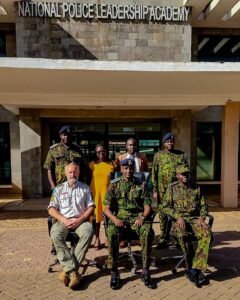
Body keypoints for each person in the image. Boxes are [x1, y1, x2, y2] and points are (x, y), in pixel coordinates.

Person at [104, 158, 156, 290]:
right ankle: (114, 272)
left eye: (131, 168)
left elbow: (148, 207)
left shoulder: (141, 184)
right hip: (120, 219)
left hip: (136, 219)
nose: (129, 171)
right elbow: (106, 209)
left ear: (134, 169)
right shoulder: (114, 185)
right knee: (111, 231)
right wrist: (114, 219)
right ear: (121, 170)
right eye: (126, 168)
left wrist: (142, 218)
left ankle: (145, 271)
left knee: (147, 231)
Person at [162, 164, 212, 287]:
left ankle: (195, 269)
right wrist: (177, 216)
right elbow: (164, 206)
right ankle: (190, 267)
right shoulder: (172, 188)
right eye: (183, 174)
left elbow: (204, 205)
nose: (186, 176)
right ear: (177, 175)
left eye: (187, 174)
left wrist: (202, 217)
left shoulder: (196, 187)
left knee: (207, 233)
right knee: (183, 235)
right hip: (179, 220)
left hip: (195, 219)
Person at [48, 163, 95, 290]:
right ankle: (73, 272)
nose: (72, 174)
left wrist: (80, 219)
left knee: (89, 231)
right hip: (63, 221)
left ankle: (66, 271)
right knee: (55, 233)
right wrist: (64, 219)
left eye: (75, 172)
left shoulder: (85, 188)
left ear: (78, 173)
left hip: (80, 220)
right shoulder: (58, 189)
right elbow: (51, 209)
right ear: (65, 173)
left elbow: (91, 207)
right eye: (70, 172)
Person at [44, 125, 88, 255]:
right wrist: (52, 185)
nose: (66, 136)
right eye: (64, 134)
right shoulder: (53, 150)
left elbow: (84, 168)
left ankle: (76, 240)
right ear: (60, 136)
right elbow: (49, 168)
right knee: (56, 214)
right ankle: (55, 243)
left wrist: (84, 184)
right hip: (59, 188)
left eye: (68, 135)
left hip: (75, 186)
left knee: (75, 211)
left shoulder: (78, 150)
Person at [152, 132, 188, 247]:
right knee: (163, 213)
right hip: (162, 191)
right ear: (164, 143)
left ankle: (176, 236)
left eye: (171, 141)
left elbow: (186, 172)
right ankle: (163, 237)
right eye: (167, 141)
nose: (170, 143)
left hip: (177, 190)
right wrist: (155, 190)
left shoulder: (181, 155)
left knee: (177, 211)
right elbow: (154, 174)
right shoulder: (158, 155)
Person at [89, 144, 116, 250]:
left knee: (107, 217)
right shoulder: (92, 165)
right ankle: (96, 239)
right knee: (97, 219)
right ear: (96, 153)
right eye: (98, 152)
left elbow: (115, 180)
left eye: (103, 152)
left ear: (106, 152)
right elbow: (88, 179)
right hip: (96, 194)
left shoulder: (112, 164)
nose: (101, 154)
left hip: (108, 194)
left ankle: (108, 237)